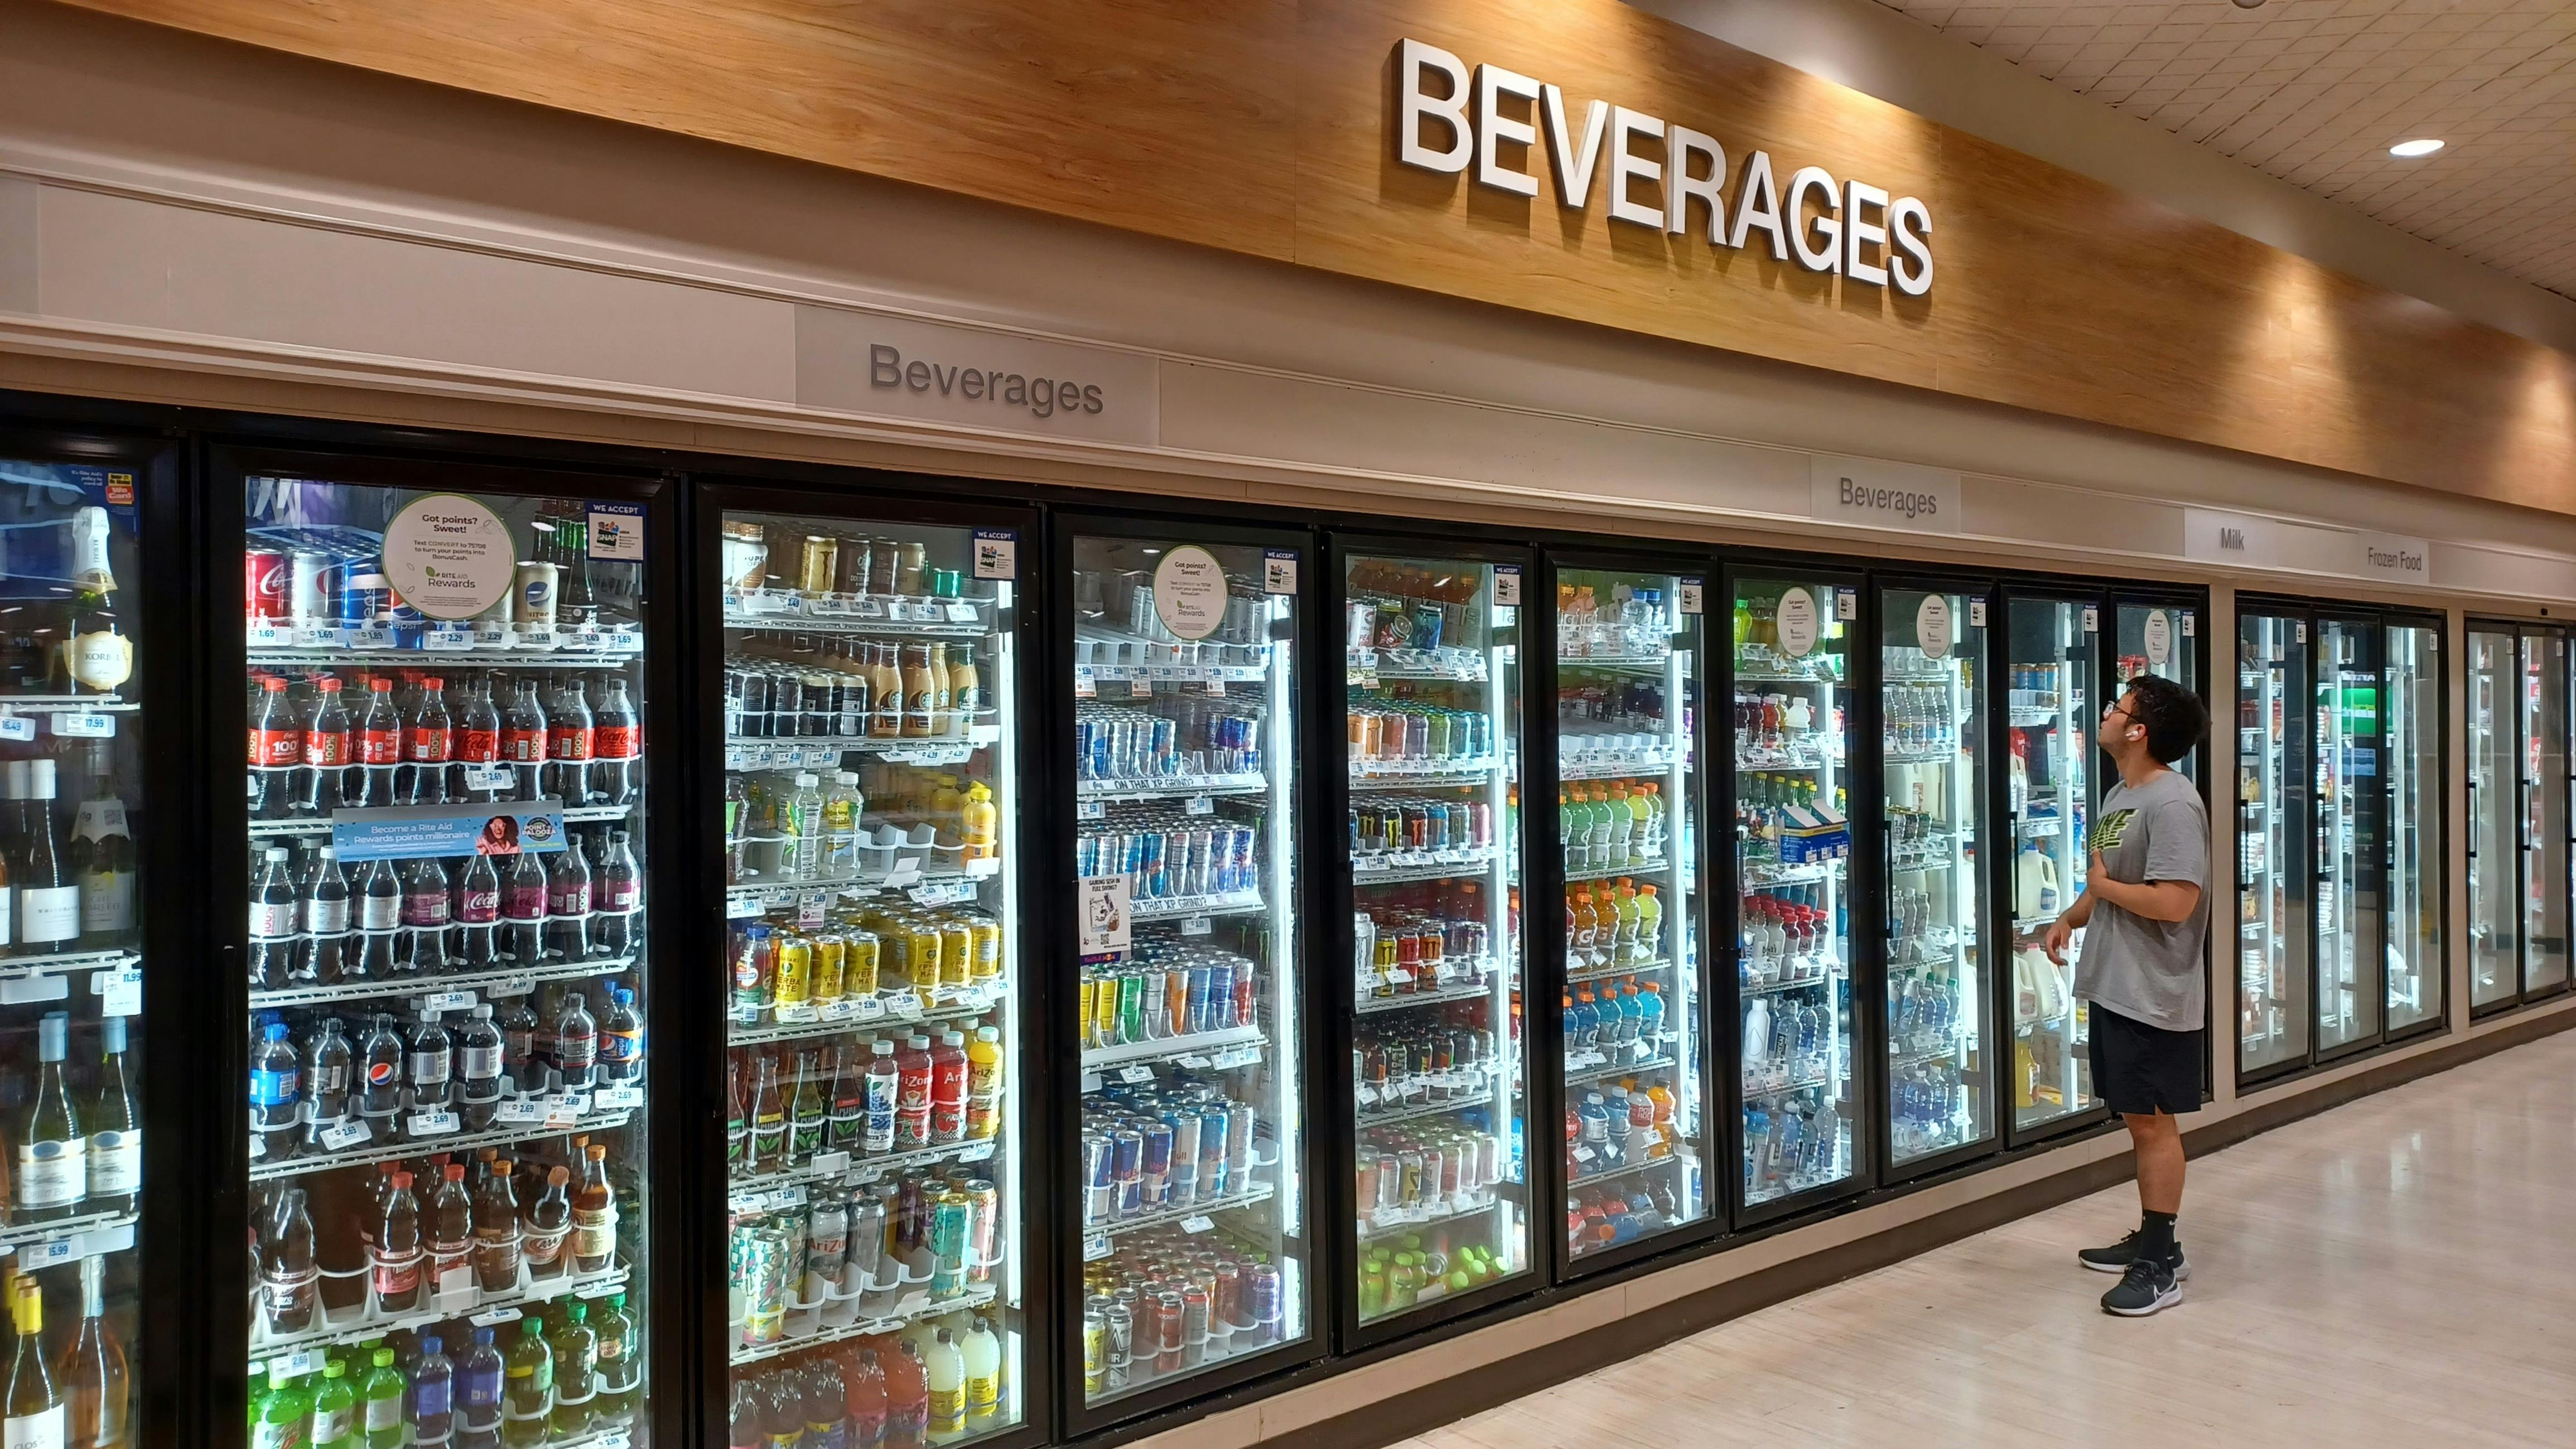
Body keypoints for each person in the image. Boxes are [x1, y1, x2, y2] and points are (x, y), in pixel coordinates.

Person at [2043, 673, 2211, 1317]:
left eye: (2118, 708)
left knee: (2152, 1123)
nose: (2107, 714)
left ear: (2138, 731)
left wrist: (2102, 891)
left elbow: (2175, 902)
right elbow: (2107, 879)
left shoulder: (2173, 804)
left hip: (2153, 992)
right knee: (2138, 1118)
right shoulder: (2122, 793)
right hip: (2116, 984)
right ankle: (2154, 1238)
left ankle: (2159, 1265)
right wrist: (2072, 915)